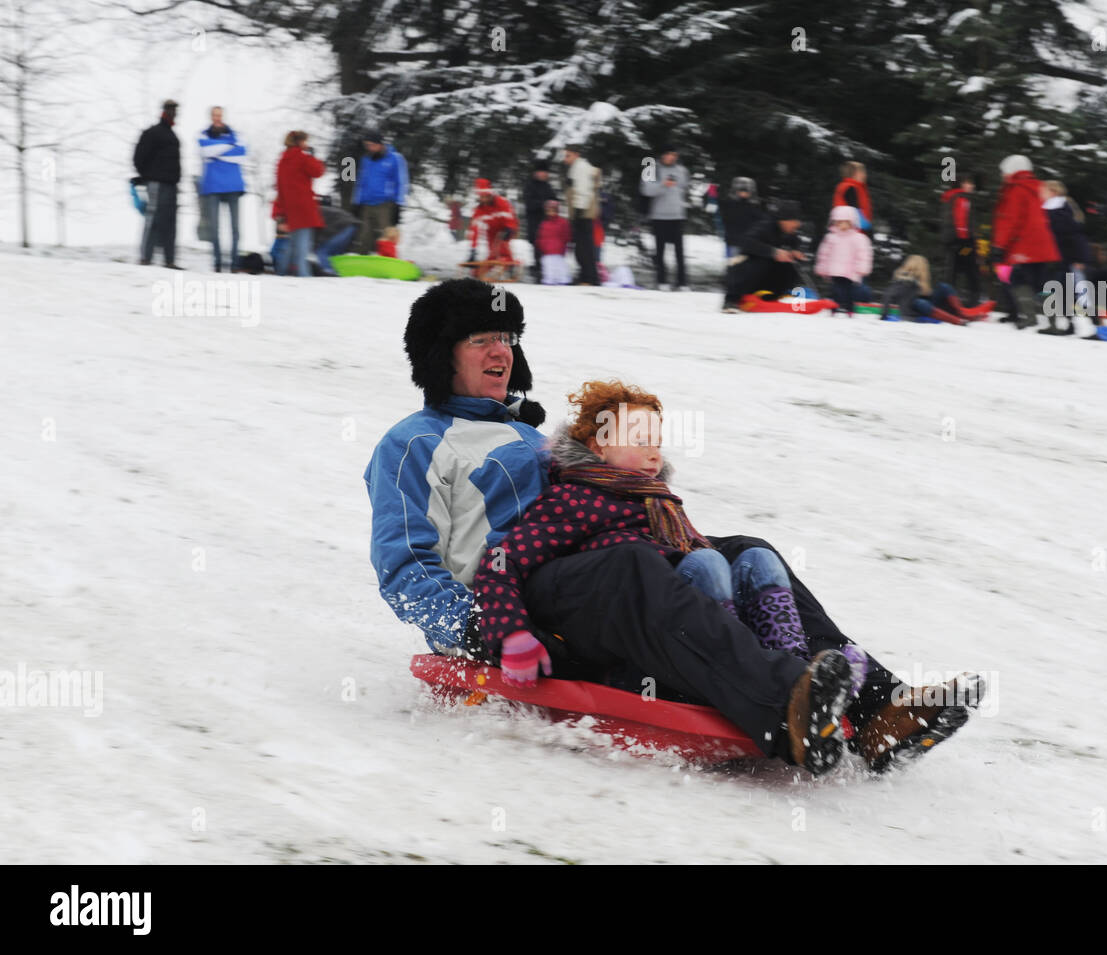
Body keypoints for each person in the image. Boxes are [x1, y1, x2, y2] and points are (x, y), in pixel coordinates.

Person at [364, 278, 982, 774]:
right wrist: (479, 633)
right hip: (513, 604)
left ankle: (878, 711)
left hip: (593, 578)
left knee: (744, 551)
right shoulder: (413, 443)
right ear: (440, 354)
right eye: (480, 339)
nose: (501, 350)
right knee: (628, 565)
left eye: (506, 337)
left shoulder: (534, 436)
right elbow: (405, 566)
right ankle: (784, 704)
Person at [474, 380, 819, 667]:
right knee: (707, 561)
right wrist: (512, 633)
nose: (654, 453)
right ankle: (745, 667)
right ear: (598, 447)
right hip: (634, 628)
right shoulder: (573, 499)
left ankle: (793, 666)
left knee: (757, 558)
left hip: (677, 612)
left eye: (656, 443)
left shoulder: (659, 503)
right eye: (640, 443)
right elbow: (500, 562)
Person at [991, 154, 1060, 330]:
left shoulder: (1015, 189)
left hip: (1025, 245)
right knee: (1042, 283)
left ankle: (1029, 317)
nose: (1003, 175)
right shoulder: (1038, 187)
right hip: (1044, 245)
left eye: (1005, 172)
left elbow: (1009, 220)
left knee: (1017, 279)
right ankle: (1053, 323)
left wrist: (999, 246)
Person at [721, 200, 809, 312]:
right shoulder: (766, 226)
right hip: (743, 272)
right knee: (759, 261)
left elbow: (796, 244)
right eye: (795, 221)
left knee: (790, 265)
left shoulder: (790, 233)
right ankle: (732, 300)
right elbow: (746, 243)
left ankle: (770, 297)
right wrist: (773, 252)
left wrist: (796, 252)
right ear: (784, 220)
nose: (798, 224)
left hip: (764, 279)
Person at [133, 98, 182, 269]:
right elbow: (138, 158)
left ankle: (170, 260)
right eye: (170, 110)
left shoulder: (173, 136)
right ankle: (145, 258)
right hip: (156, 184)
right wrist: (148, 177)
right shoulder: (152, 133)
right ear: (164, 111)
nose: (173, 113)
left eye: (175, 110)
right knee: (152, 220)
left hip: (172, 186)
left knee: (170, 223)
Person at [197, 106, 247, 272]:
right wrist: (228, 147)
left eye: (219, 115)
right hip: (212, 186)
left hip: (233, 186)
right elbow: (205, 150)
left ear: (223, 116)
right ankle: (217, 262)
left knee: (235, 228)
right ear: (211, 117)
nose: (217, 118)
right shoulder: (203, 134)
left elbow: (242, 152)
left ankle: (235, 264)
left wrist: (216, 151)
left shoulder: (236, 135)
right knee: (214, 228)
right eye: (214, 115)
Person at [1038, 180, 1091, 335]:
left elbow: (1074, 234)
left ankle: (1088, 325)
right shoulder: (1050, 208)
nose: (1041, 194)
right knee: (1058, 289)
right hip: (1058, 257)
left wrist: (1080, 258)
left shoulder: (1060, 208)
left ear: (1053, 192)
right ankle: (1068, 323)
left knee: (1075, 291)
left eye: (1044, 191)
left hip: (1069, 256)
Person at [877, 255, 992, 324]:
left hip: (927, 306)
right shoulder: (903, 279)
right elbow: (888, 295)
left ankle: (961, 313)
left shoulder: (920, 281)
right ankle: (957, 320)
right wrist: (884, 315)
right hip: (914, 310)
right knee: (920, 302)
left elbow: (928, 295)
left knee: (943, 287)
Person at [274, 131, 325, 278]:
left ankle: (281, 271)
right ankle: (304, 275)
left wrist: (281, 213)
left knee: (292, 243)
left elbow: (279, 187)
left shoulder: (282, 160)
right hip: (304, 206)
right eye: (305, 141)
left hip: (290, 207)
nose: (307, 144)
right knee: (303, 246)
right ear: (300, 142)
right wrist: (312, 156)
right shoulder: (303, 158)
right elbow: (318, 171)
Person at [640, 145, 690, 290]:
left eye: (674, 155)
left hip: (677, 215)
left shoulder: (682, 170)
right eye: (668, 154)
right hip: (659, 216)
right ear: (662, 155)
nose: (672, 157)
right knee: (660, 251)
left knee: (679, 252)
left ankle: (682, 282)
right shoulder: (650, 168)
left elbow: (684, 188)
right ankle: (662, 281)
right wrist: (663, 185)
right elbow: (646, 190)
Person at [353, 130, 409, 253]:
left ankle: (387, 262)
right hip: (367, 204)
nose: (369, 148)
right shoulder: (366, 159)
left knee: (386, 237)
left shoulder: (395, 158)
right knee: (363, 235)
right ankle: (361, 263)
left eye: (372, 144)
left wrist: (398, 204)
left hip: (385, 204)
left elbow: (401, 182)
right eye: (367, 145)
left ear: (380, 144)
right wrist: (357, 201)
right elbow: (361, 181)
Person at [814, 205, 873, 315]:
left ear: (851, 222)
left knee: (849, 290)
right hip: (835, 270)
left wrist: (862, 267)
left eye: (844, 222)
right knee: (836, 289)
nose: (841, 225)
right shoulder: (831, 237)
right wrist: (822, 267)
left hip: (849, 271)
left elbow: (863, 254)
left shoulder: (858, 238)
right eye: (838, 222)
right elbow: (824, 254)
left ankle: (849, 308)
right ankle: (835, 307)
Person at [561, 143, 601, 285]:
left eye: (568, 155)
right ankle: (587, 276)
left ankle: (589, 278)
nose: (565, 159)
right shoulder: (577, 168)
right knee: (582, 247)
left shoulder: (580, 168)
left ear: (576, 155)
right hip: (581, 212)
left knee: (583, 248)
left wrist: (578, 211)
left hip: (582, 213)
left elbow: (584, 191)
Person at [940, 173, 980, 304]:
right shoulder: (960, 198)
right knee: (968, 269)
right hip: (962, 242)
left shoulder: (962, 198)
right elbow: (959, 220)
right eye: (969, 183)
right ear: (962, 184)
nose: (972, 186)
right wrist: (969, 239)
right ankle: (968, 300)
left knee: (956, 270)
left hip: (959, 242)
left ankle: (950, 298)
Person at [466, 179, 519, 266]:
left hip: (506, 228)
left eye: (486, 196)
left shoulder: (502, 202)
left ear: (491, 195)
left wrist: (510, 228)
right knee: (492, 252)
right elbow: (474, 229)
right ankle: (490, 265)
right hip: (492, 230)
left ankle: (508, 264)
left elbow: (510, 217)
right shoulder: (479, 210)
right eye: (482, 197)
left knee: (502, 247)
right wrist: (473, 249)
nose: (484, 200)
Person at [522, 159, 557, 282]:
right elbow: (529, 203)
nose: (544, 174)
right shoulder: (530, 185)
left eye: (545, 172)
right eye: (541, 172)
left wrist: (553, 204)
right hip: (534, 221)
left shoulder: (548, 186)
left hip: (547, 223)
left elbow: (554, 199)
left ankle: (546, 267)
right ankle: (537, 268)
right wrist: (543, 204)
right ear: (536, 173)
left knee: (547, 245)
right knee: (537, 244)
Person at [719, 177, 763, 260]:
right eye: (742, 192)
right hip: (734, 239)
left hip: (746, 240)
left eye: (746, 192)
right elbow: (725, 219)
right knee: (734, 262)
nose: (744, 194)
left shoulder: (753, 206)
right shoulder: (730, 204)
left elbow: (760, 221)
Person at [315, 197, 359, 276]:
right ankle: (341, 271)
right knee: (334, 254)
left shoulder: (315, 212)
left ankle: (329, 272)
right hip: (351, 224)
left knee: (322, 251)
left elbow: (320, 232)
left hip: (344, 225)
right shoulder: (321, 209)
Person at [534, 199, 571, 284]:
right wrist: (540, 246)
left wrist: (565, 246)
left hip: (558, 250)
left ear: (557, 210)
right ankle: (549, 281)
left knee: (560, 267)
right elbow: (540, 236)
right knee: (548, 268)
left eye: (553, 210)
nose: (551, 212)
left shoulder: (562, 222)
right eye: (549, 210)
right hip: (547, 252)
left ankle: (562, 280)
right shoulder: (544, 223)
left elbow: (566, 235)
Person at [832, 160, 873, 230]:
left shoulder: (853, 187)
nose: (865, 175)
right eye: (862, 172)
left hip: (851, 229)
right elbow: (854, 209)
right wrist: (865, 225)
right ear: (854, 174)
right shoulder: (850, 188)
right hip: (850, 230)